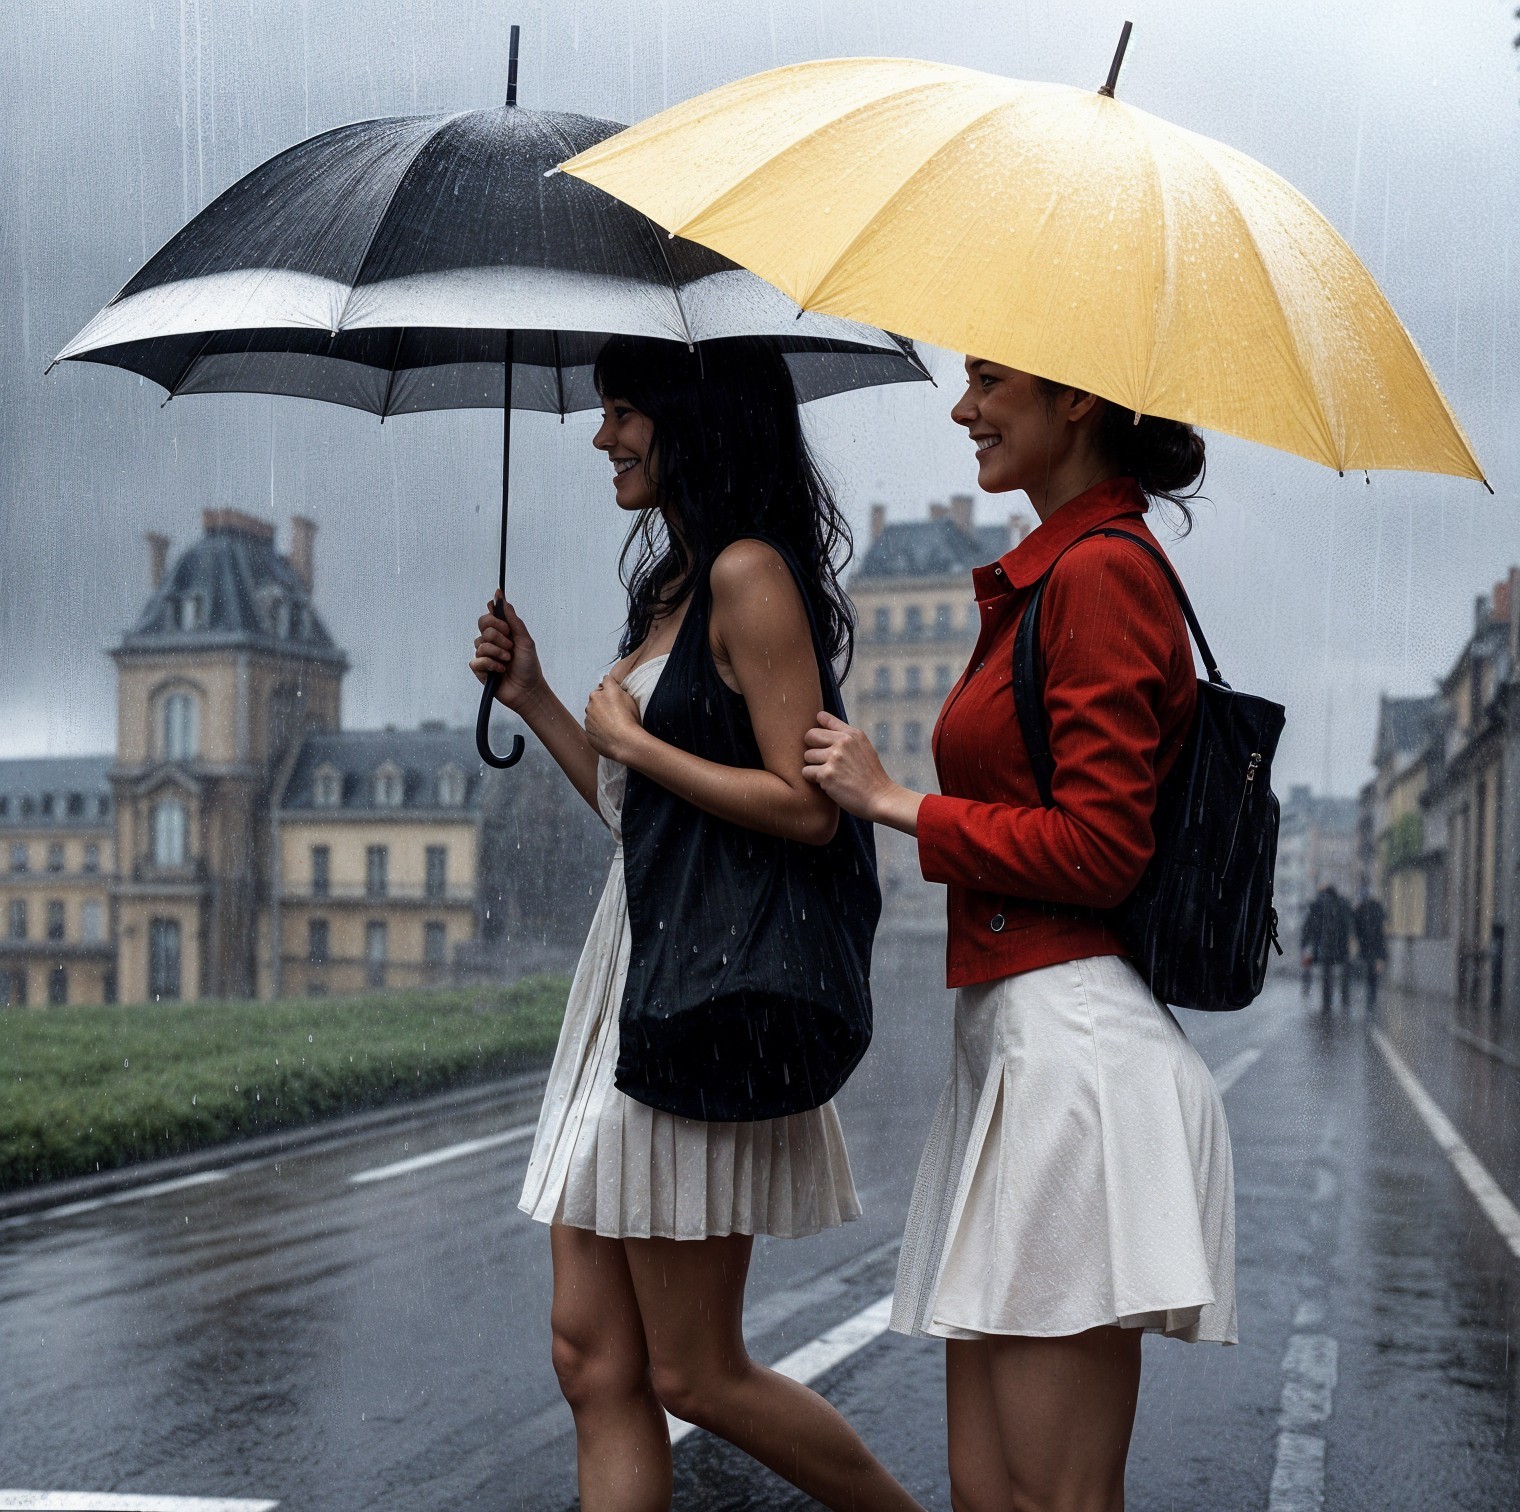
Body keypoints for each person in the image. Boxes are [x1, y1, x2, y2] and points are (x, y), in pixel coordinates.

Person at [469, 335, 920, 1512]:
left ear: (694, 422)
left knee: (695, 1372)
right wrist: (539, 700)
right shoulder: (672, 581)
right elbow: (642, 816)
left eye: (622, 411)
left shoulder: (749, 578)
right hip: (632, 957)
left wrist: (636, 739)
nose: (602, 435)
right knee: (589, 1355)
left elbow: (806, 810)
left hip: (699, 982)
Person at [802, 358, 1236, 1512]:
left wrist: (897, 803)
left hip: (1069, 1061)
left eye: (988, 380)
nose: (960, 410)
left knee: (1050, 1499)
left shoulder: (1100, 573)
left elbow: (1101, 849)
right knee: (988, 1495)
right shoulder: (1054, 577)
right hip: (1014, 1042)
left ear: (1076, 398)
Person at [1302, 883, 1354, 1014]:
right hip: (1341, 945)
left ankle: (1327, 1002)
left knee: (1327, 974)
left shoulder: (1317, 904)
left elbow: (1309, 925)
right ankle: (1345, 998)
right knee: (1345, 972)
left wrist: (1304, 944)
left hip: (1323, 946)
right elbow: (1349, 923)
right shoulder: (1343, 903)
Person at [1354, 889, 1388, 1012]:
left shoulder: (1362, 909)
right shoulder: (1377, 910)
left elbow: (1357, 927)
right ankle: (1371, 996)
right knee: (1373, 972)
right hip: (1376, 946)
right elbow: (1382, 931)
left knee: (1369, 971)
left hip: (1367, 945)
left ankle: (1370, 996)